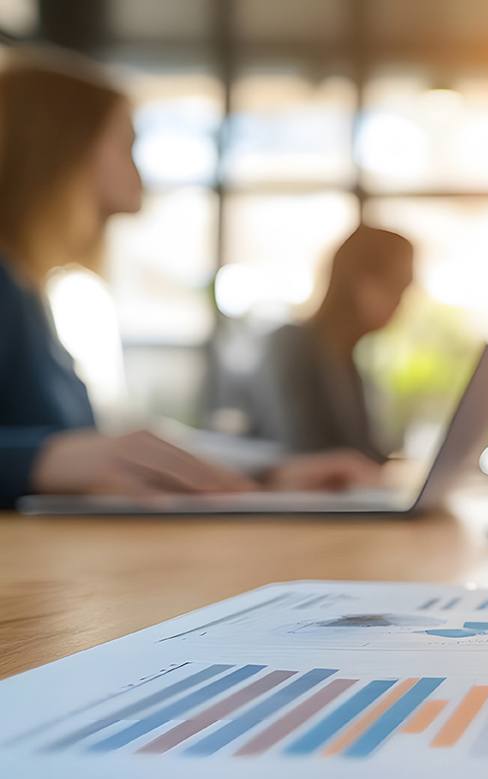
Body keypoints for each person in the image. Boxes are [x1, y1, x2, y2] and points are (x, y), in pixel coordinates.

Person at [0, 53, 378, 509]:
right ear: (59, 150)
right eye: (126, 146)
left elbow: (106, 448)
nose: (141, 179)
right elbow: (74, 454)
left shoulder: (26, 291)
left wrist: (269, 471)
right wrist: (40, 461)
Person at [247, 226, 413, 462]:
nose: (402, 303)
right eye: (397, 286)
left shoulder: (346, 359)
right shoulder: (291, 344)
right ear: (361, 283)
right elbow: (301, 453)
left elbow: (362, 453)